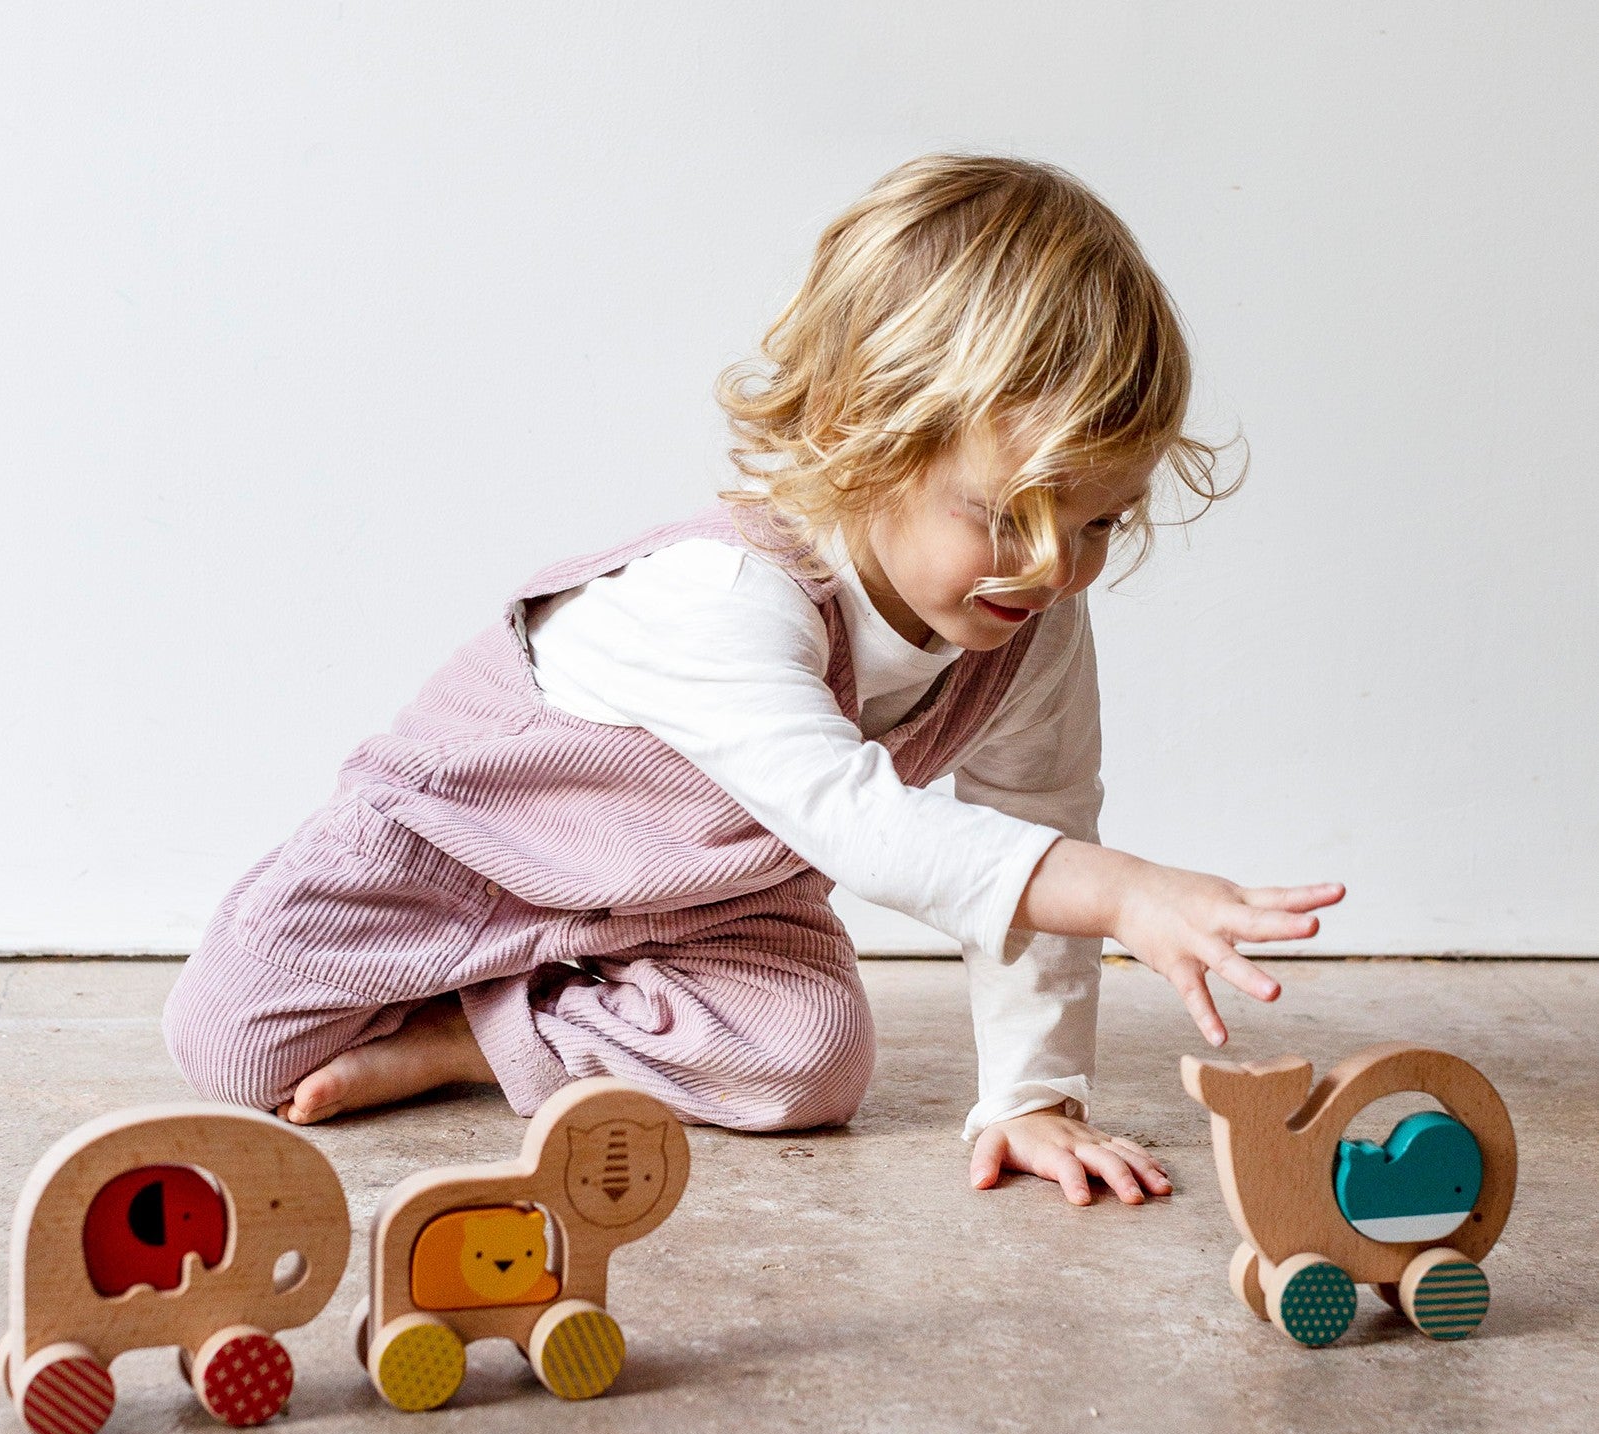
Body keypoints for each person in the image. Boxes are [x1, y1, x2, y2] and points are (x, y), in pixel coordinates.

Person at [162, 153, 1344, 1208]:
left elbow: (1036, 813)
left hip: (700, 898)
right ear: (865, 434)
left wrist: (1032, 1095)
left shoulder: (1032, 623)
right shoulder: (729, 593)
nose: (1051, 567)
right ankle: (495, 982)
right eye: (1004, 516)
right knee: (228, 1043)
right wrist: (1125, 890)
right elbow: (864, 826)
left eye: (1098, 523)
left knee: (807, 1064)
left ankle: (475, 1040)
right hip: (467, 850)